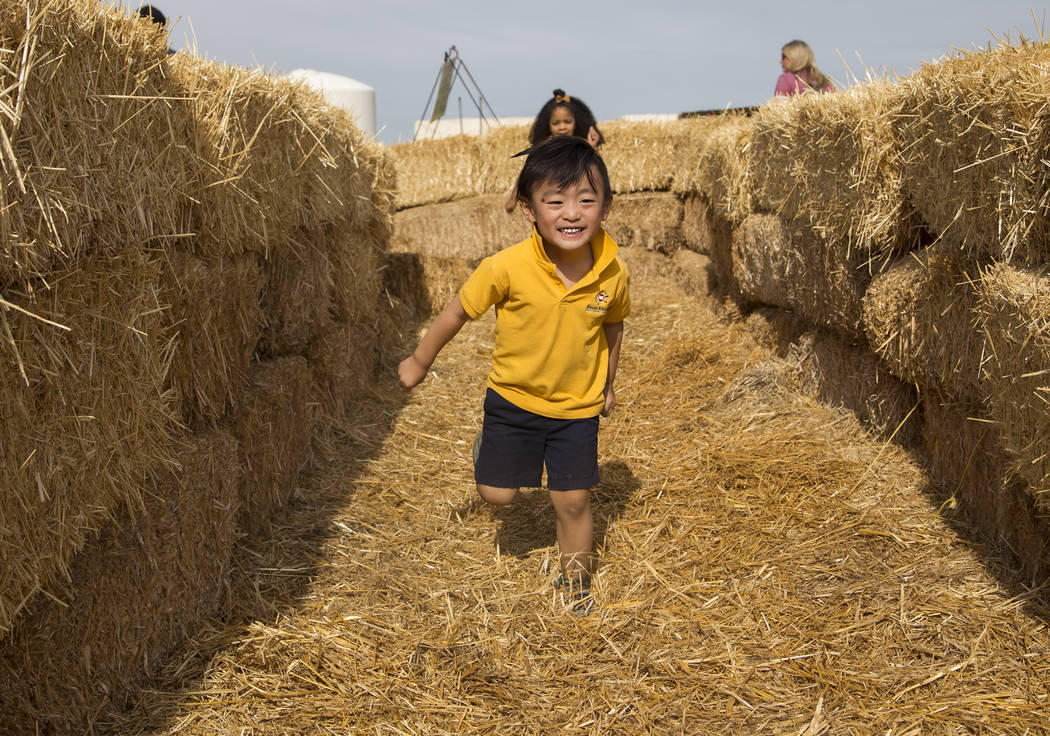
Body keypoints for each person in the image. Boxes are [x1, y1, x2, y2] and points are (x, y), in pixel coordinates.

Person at [399, 136, 630, 615]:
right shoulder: (506, 266)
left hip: (575, 410)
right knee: (498, 495)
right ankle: (490, 450)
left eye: (587, 200)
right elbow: (456, 313)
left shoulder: (612, 273)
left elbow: (613, 327)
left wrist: (607, 385)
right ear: (529, 209)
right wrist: (420, 361)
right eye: (556, 201)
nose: (572, 213)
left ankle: (576, 584)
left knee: (572, 501)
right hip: (513, 401)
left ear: (605, 208)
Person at [504, 89, 605, 212]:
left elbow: (597, 172)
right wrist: (513, 199)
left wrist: (593, 148)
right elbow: (526, 173)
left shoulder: (582, 146)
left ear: (575, 122)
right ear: (548, 125)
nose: (562, 127)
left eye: (567, 122)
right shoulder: (545, 147)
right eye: (556, 123)